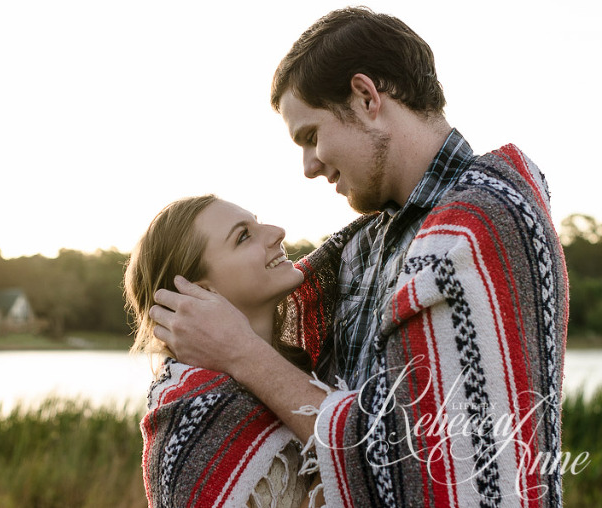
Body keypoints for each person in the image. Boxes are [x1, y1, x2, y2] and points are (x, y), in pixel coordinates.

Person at [149, 7, 569, 507]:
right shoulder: (360, 248)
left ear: (366, 97)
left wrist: (241, 352)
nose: (309, 166)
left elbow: (416, 468)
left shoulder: (480, 229)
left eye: (311, 136)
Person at [125, 194, 355, 507]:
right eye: (244, 236)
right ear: (200, 293)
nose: (277, 232)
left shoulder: (320, 360)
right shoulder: (198, 420)